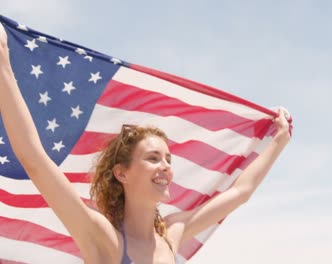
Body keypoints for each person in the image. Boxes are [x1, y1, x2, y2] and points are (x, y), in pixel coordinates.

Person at [0, 22, 290, 264]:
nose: (165, 167)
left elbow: (241, 191)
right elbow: (34, 159)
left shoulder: (174, 232)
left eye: (168, 159)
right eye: (153, 158)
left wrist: (278, 140)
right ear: (121, 172)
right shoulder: (104, 238)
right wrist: (3, 61)